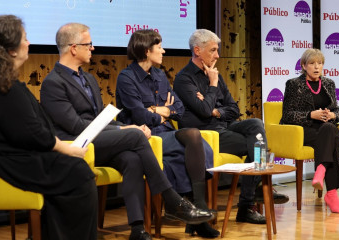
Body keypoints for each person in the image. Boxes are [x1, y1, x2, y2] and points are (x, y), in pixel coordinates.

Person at [40, 23, 214, 240]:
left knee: (131, 159)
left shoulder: (90, 79)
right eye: (89, 44)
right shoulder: (52, 83)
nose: (93, 48)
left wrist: (125, 126)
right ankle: (172, 199)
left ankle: (137, 228)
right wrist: (128, 129)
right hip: (75, 144)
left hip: (98, 141)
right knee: (135, 135)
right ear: (74, 48)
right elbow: (76, 126)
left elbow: (98, 119)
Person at [0, 15, 98, 240]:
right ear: (12, 50)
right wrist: (68, 149)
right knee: (79, 173)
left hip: (10, 156)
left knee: (71, 169)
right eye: (25, 39)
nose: (29, 43)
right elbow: (32, 134)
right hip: (9, 161)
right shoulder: (3, 86)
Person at [173, 29, 289, 224]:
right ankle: (248, 202)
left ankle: (251, 196)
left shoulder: (215, 75)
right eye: (213, 50)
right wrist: (212, 85)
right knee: (256, 145)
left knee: (255, 124)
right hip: (205, 135)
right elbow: (202, 110)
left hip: (224, 127)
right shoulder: (184, 79)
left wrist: (216, 111)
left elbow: (234, 108)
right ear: (197, 50)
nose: (217, 55)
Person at [116, 29, 219, 238]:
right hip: (145, 137)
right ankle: (197, 210)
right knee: (192, 140)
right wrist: (160, 111)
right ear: (146, 51)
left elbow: (179, 109)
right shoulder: (126, 78)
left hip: (165, 132)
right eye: (159, 47)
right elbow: (139, 115)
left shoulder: (159, 75)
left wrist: (156, 110)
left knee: (194, 140)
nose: (163, 51)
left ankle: (195, 214)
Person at [280, 48, 339, 213]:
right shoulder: (293, 84)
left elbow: (337, 113)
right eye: (312, 63)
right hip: (303, 130)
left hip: (325, 128)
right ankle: (331, 193)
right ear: (303, 66)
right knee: (332, 140)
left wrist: (331, 115)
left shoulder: (329, 83)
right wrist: (311, 115)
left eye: (320, 63)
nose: (317, 67)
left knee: (330, 130)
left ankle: (320, 170)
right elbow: (287, 115)